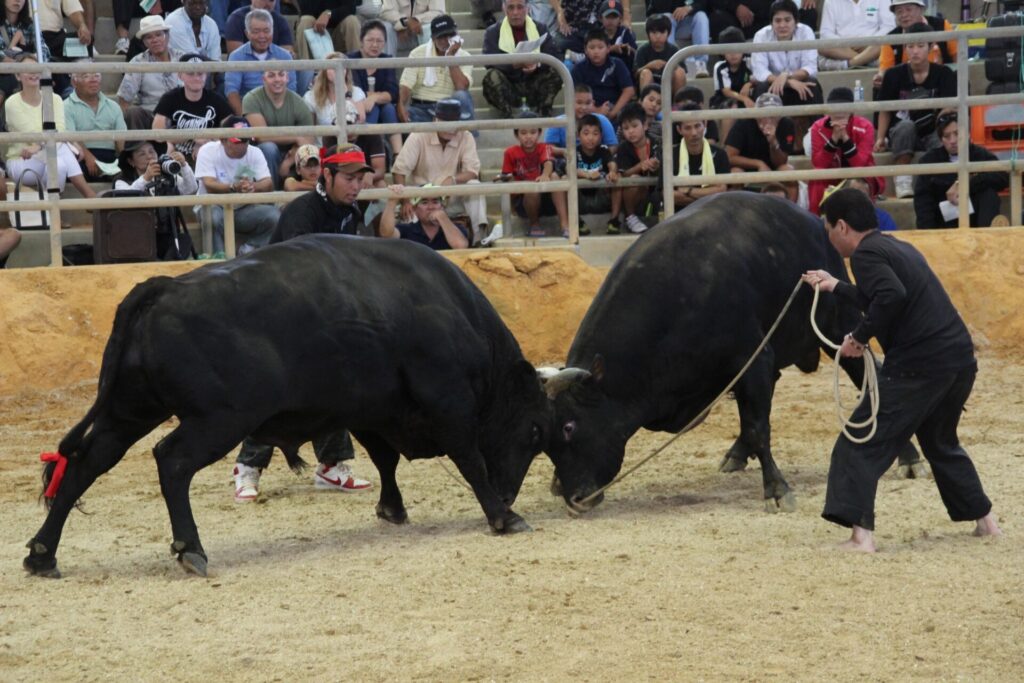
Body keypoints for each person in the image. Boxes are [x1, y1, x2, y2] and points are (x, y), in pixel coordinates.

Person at [801, 187, 1002, 553]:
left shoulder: (865, 255)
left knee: (859, 442)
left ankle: (861, 538)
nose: (829, 237)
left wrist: (859, 338)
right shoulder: (895, 247)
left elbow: (891, 296)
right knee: (940, 442)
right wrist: (835, 286)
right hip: (957, 360)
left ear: (842, 227)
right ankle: (986, 522)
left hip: (920, 365)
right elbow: (883, 294)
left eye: (829, 229)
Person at [233, 143, 376, 503]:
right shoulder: (303, 211)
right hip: (277, 312)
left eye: (359, 178)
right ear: (325, 176)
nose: (355, 186)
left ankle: (331, 465)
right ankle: (247, 468)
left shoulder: (349, 211)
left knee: (333, 386)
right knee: (274, 393)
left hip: (319, 316)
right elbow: (300, 270)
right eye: (347, 178)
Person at [874, 22, 955, 199]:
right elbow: (885, 109)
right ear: (905, 48)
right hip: (903, 130)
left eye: (920, 46)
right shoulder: (893, 74)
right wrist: (880, 138)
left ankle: (940, 181)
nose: (915, 51)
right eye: (910, 46)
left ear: (931, 47)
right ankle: (903, 178)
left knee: (942, 135)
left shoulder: (945, 73)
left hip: (933, 128)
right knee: (905, 127)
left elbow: (949, 109)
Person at [391, 98, 489, 243]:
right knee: (408, 220)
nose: (450, 128)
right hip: (422, 198)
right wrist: (405, 201)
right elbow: (399, 170)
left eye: (454, 122)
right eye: (445, 122)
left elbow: (472, 171)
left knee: (474, 185)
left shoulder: (466, 136)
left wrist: (454, 179)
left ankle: (480, 241)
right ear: (435, 120)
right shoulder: (419, 135)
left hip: (452, 198)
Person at [3, 55, 96, 199]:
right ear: (17, 76)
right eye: (28, 70)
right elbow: (31, 133)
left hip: (50, 153)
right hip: (22, 160)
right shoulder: (12, 103)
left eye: (36, 69)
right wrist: (47, 144)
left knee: (58, 163)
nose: (34, 73)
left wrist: (40, 146)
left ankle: (52, 211)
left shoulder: (55, 99)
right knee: (60, 149)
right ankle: (88, 194)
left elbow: (60, 130)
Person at [194, 115, 281, 254]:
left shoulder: (255, 152)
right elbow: (209, 184)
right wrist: (233, 187)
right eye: (237, 140)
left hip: (243, 209)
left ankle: (248, 250)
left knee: (274, 216)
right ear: (223, 140)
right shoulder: (208, 150)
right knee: (213, 217)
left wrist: (253, 187)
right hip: (214, 205)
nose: (243, 144)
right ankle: (218, 260)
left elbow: (267, 183)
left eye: (246, 139)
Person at [913, 113, 1009, 229]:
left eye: (957, 134)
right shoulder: (929, 160)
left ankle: (987, 239)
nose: (953, 140)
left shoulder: (979, 154)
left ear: (968, 134)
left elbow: (1002, 177)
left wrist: (965, 183)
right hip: (945, 224)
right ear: (941, 139)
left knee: (988, 194)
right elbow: (923, 203)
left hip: (977, 219)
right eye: (947, 136)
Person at [481, 0, 563, 119]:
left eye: (520, 7)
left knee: (555, 72)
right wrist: (514, 64)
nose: (515, 12)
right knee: (491, 76)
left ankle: (544, 111)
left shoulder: (540, 28)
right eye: (511, 8)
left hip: (534, 83)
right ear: (504, 9)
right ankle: (507, 113)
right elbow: (489, 62)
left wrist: (537, 64)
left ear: (527, 9)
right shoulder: (492, 32)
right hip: (509, 85)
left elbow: (554, 56)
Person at [807, 86, 882, 215]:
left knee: (857, 183)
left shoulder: (865, 126)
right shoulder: (817, 128)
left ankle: (860, 222)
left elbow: (859, 164)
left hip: (861, 174)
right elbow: (819, 163)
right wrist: (834, 139)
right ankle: (819, 220)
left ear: (852, 109)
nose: (839, 111)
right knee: (817, 177)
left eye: (843, 106)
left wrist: (845, 138)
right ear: (828, 109)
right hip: (831, 174)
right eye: (834, 106)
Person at [496, 113, 569, 237]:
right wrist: (512, 207)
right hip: (525, 202)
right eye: (523, 133)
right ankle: (534, 225)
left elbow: (548, 163)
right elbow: (506, 178)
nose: (528, 137)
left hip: (547, 197)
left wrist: (545, 174)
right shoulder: (510, 153)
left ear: (539, 133)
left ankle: (565, 225)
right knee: (531, 188)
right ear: (516, 135)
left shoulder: (544, 147)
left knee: (555, 177)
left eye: (533, 132)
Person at [243, 69, 316, 188]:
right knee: (269, 148)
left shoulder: (298, 102)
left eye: (281, 75)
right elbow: (262, 136)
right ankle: (271, 195)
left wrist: (288, 162)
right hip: (260, 152)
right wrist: (296, 137)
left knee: (308, 152)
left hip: (291, 153)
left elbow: (308, 140)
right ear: (263, 79)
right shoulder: (251, 98)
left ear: (287, 78)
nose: (277, 79)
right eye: (271, 75)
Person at [153, 54, 233, 162]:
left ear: (206, 75)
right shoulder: (170, 98)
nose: (196, 78)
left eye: (200, 73)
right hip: (177, 155)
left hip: (208, 155)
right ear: (180, 75)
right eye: (190, 73)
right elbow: (157, 134)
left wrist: (207, 142)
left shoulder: (216, 99)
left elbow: (232, 130)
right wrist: (193, 135)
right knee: (166, 147)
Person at [398, 14, 476, 124]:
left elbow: (461, 87)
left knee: (462, 96)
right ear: (433, 38)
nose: (446, 40)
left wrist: (450, 57)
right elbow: (406, 86)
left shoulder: (465, 56)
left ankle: (468, 139)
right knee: (403, 113)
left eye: (450, 35)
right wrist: (400, 105)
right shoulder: (417, 53)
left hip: (450, 110)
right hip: (422, 108)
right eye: (441, 36)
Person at [750, 0, 822, 113]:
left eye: (787, 20)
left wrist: (786, 76)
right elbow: (760, 72)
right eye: (777, 21)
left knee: (812, 85)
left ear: (796, 21)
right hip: (774, 86)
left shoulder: (806, 32)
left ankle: (817, 130)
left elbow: (810, 67)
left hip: (799, 83)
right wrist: (787, 81)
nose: (782, 25)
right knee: (761, 88)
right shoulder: (761, 36)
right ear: (771, 22)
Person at [225, 9, 297, 114]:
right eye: (256, 31)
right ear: (247, 33)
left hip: (279, 111)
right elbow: (231, 91)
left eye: (266, 31)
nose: (262, 36)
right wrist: (245, 118)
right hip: (249, 110)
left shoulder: (284, 56)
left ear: (273, 31)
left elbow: (291, 89)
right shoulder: (236, 56)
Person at [117, 16, 183, 130]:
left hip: (182, 114)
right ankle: (140, 147)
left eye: (158, 34)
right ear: (144, 42)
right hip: (151, 115)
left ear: (167, 36)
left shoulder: (183, 57)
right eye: (149, 37)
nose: (155, 40)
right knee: (133, 113)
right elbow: (124, 99)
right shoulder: (138, 62)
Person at [348, 20, 403, 154]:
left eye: (379, 41)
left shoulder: (387, 59)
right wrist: (376, 97)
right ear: (361, 41)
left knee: (388, 109)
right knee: (373, 109)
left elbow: (393, 92)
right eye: (370, 40)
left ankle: (398, 156)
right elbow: (355, 89)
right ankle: (366, 153)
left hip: (380, 106)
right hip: (356, 107)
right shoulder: (350, 59)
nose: (375, 45)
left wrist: (374, 98)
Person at [875, 0, 956, 89]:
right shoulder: (891, 39)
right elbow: (885, 70)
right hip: (906, 90)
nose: (904, 15)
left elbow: (958, 58)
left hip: (942, 85)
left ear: (921, 9)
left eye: (908, 9)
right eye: (899, 11)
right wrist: (880, 78)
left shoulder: (942, 26)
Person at [65, 69, 127, 182]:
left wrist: (127, 159)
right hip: (82, 155)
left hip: (109, 155)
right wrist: (89, 158)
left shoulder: (113, 106)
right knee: (71, 168)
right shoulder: (66, 106)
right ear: (74, 82)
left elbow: (121, 141)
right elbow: (70, 138)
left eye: (96, 75)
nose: (93, 80)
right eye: (86, 76)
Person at [725, 91, 795, 178]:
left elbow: (781, 162)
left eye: (773, 114)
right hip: (745, 167)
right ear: (756, 115)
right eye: (765, 114)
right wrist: (758, 164)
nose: (769, 119)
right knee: (736, 173)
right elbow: (729, 157)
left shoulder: (786, 124)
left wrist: (773, 143)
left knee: (788, 171)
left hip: (773, 168)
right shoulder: (743, 123)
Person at [672, 102, 729, 208]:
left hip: (712, 213)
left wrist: (688, 190)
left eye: (697, 126)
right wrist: (706, 194)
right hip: (679, 216)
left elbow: (721, 190)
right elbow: (670, 195)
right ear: (679, 130)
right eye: (688, 128)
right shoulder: (669, 156)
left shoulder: (720, 154)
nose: (694, 133)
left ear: (705, 124)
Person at [571, 29, 636, 121]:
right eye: (592, 48)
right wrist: (597, 111)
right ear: (585, 50)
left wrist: (612, 113)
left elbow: (629, 90)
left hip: (615, 111)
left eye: (600, 47)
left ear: (608, 48)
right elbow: (576, 98)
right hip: (587, 113)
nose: (596, 52)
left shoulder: (617, 64)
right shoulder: (578, 69)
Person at [615, 102, 660, 234]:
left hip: (654, 192)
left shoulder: (657, 144)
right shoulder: (623, 148)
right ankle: (630, 217)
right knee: (633, 179)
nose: (631, 131)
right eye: (626, 128)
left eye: (635, 126)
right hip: (634, 196)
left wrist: (657, 165)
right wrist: (640, 166)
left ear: (645, 125)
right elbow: (624, 174)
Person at [380, 184, 471, 248]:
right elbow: (386, 234)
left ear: (442, 207)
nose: (431, 207)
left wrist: (442, 218)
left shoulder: (455, 228)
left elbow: (461, 246)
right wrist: (392, 201)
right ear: (415, 209)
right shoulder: (407, 230)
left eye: (435, 202)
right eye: (424, 202)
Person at [572, 113, 621, 234]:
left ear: (600, 136)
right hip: (580, 200)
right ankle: (576, 222)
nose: (590, 138)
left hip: (601, 197)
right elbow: (570, 169)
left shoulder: (603, 150)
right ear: (578, 135)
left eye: (595, 133)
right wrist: (587, 175)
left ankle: (614, 221)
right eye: (586, 133)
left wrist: (612, 172)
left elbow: (611, 162)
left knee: (618, 177)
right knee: (564, 179)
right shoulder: (574, 151)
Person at [817, 0, 893, 71]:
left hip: (871, 45)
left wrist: (867, 42)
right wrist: (846, 43)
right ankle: (865, 60)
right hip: (843, 49)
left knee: (883, 43)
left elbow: (889, 27)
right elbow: (825, 33)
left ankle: (851, 63)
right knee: (822, 47)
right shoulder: (830, 1)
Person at [543, 84, 618, 156]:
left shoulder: (602, 120)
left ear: (593, 103)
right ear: (569, 102)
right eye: (579, 102)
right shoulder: (558, 122)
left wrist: (597, 159)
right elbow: (548, 148)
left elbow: (613, 146)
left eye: (588, 103)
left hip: (597, 167)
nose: (584, 107)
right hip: (566, 164)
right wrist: (568, 153)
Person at [709, 26, 754, 143]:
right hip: (725, 99)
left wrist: (748, 84)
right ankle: (725, 147)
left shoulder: (749, 61)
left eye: (737, 49)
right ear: (722, 52)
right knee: (731, 108)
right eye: (729, 50)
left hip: (745, 97)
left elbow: (758, 77)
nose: (733, 54)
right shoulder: (720, 66)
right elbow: (726, 91)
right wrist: (743, 98)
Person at [1, 0, 49, 107]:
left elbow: (44, 53)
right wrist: (25, 60)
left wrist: (25, 61)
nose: (18, 0)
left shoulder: (30, 25)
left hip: (26, 74)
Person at [645, 0, 711, 77]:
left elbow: (706, 4)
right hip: (667, 26)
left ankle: (700, 63)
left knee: (701, 16)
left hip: (688, 24)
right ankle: (670, 62)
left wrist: (689, 8)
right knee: (667, 17)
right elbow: (659, 8)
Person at [114, 140, 199, 195]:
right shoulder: (121, 180)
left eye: (151, 151)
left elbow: (191, 189)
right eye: (142, 154)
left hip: (167, 222)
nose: (149, 156)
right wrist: (146, 178)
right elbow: (127, 198)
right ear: (131, 161)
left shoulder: (166, 174)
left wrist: (184, 165)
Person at [633, 14, 687, 97]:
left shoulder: (674, 50)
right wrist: (649, 66)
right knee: (645, 73)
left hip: (669, 87)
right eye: (654, 32)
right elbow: (636, 74)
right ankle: (647, 105)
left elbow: (683, 72)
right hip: (649, 87)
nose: (658, 36)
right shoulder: (642, 50)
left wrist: (669, 66)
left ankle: (678, 105)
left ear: (668, 33)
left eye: (662, 32)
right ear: (648, 34)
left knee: (679, 72)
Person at [294, 0, 362, 60]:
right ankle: (305, 70)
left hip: (339, 36)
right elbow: (305, 10)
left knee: (351, 20)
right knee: (306, 20)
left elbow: (350, 8)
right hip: (315, 34)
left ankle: (357, 69)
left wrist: (329, 14)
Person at [378, 0, 444, 56]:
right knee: (385, 27)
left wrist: (417, 20)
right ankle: (387, 68)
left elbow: (438, 12)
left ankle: (429, 68)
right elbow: (386, 12)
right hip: (399, 31)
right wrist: (404, 23)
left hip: (421, 30)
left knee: (430, 28)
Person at [224, 0, 293, 53]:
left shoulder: (281, 21)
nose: (267, 3)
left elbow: (286, 53)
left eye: (271, 0)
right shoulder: (236, 18)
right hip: (245, 70)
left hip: (274, 70)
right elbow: (236, 57)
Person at [598, 0, 638, 74]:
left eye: (614, 17)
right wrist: (612, 49)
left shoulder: (625, 32)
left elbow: (635, 53)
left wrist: (628, 49)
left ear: (620, 19)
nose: (611, 21)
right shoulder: (597, 34)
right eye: (607, 17)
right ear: (601, 18)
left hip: (624, 72)